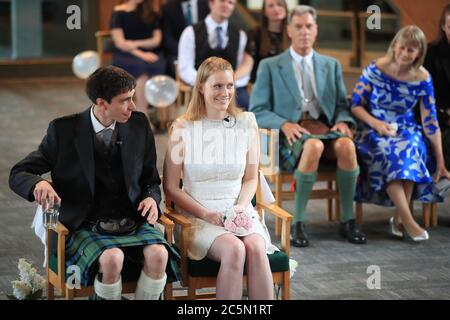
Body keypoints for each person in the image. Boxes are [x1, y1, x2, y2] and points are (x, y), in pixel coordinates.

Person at [9, 66, 179, 300]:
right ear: (102, 103)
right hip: (85, 222)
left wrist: (151, 197)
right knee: (112, 258)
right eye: (125, 100)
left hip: (130, 219)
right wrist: (38, 183)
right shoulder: (63, 131)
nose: (133, 106)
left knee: (160, 254)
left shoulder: (139, 125)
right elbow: (19, 172)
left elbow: (150, 179)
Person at [250, 5, 366, 248]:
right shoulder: (270, 66)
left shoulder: (331, 65)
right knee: (313, 146)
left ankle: (348, 220)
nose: (304, 32)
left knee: (346, 146)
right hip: (288, 135)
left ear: (316, 30)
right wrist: (284, 123)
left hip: (324, 129)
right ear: (289, 30)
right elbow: (257, 110)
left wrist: (344, 121)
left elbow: (342, 106)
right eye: (299, 27)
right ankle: (298, 223)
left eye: (309, 26)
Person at [163, 57, 278, 299]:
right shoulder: (182, 128)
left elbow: (250, 178)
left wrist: (239, 208)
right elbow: (171, 188)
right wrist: (206, 214)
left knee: (256, 248)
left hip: (238, 209)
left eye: (229, 86)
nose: (225, 93)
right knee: (234, 249)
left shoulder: (247, 123)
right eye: (217, 86)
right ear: (201, 87)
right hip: (199, 217)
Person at [351, 25, 450, 241]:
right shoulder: (376, 68)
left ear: (419, 53)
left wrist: (441, 162)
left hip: (406, 129)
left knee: (413, 147)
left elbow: (430, 121)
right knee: (392, 154)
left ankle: (399, 218)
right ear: (394, 46)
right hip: (373, 129)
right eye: (402, 48)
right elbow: (356, 105)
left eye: (411, 50)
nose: (405, 54)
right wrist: (377, 124)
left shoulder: (423, 78)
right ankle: (407, 219)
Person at [177, 0, 254, 110]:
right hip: (201, 88)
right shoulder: (190, 32)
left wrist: (228, 85)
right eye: (222, 1)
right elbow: (185, 68)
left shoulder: (241, 35)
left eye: (230, 3)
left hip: (233, 89)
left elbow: (243, 70)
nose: (226, 5)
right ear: (211, 3)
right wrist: (206, 84)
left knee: (247, 107)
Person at [110, 0, 166, 118]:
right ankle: (143, 114)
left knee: (156, 65)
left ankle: (156, 115)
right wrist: (141, 53)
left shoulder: (152, 13)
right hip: (126, 54)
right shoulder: (118, 13)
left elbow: (156, 41)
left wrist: (134, 43)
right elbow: (120, 43)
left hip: (152, 53)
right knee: (141, 69)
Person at [424, 4, 450, 169]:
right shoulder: (432, 53)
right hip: (440, 120)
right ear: (443, 27)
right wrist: (446, 114)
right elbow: (425, 98)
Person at [161, 0, 210, 78]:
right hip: (178, 53)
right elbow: (168, 39)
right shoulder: (169, 8)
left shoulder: (207, 4)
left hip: (204, 51)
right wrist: (185, 52)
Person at [247, 0, 290, 82]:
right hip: (260, 83)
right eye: (271, 6)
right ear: (265, 12)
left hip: (285, 84)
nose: (276, 8)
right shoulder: (255, 33)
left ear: (285, 8)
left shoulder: (293, 33)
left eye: (279, 4)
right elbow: (247, 64)